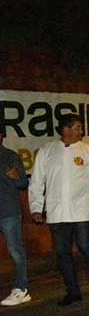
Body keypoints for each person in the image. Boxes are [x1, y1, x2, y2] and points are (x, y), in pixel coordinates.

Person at [29, 114, 89, 306]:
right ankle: (73, 291)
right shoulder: (47, 151)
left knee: (86, 247)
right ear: (65, 129)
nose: (81, 131)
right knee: (62, 252)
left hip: (81, 211)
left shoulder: (88, 151)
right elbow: (37, 181)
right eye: (77, 127)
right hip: (57, 212)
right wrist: (36, 207)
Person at [0, 131, 30, 306]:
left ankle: (21, 288)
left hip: (8, 211)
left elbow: (23, 183)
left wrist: (16, 176)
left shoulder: (10, 156)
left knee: (15, 251)